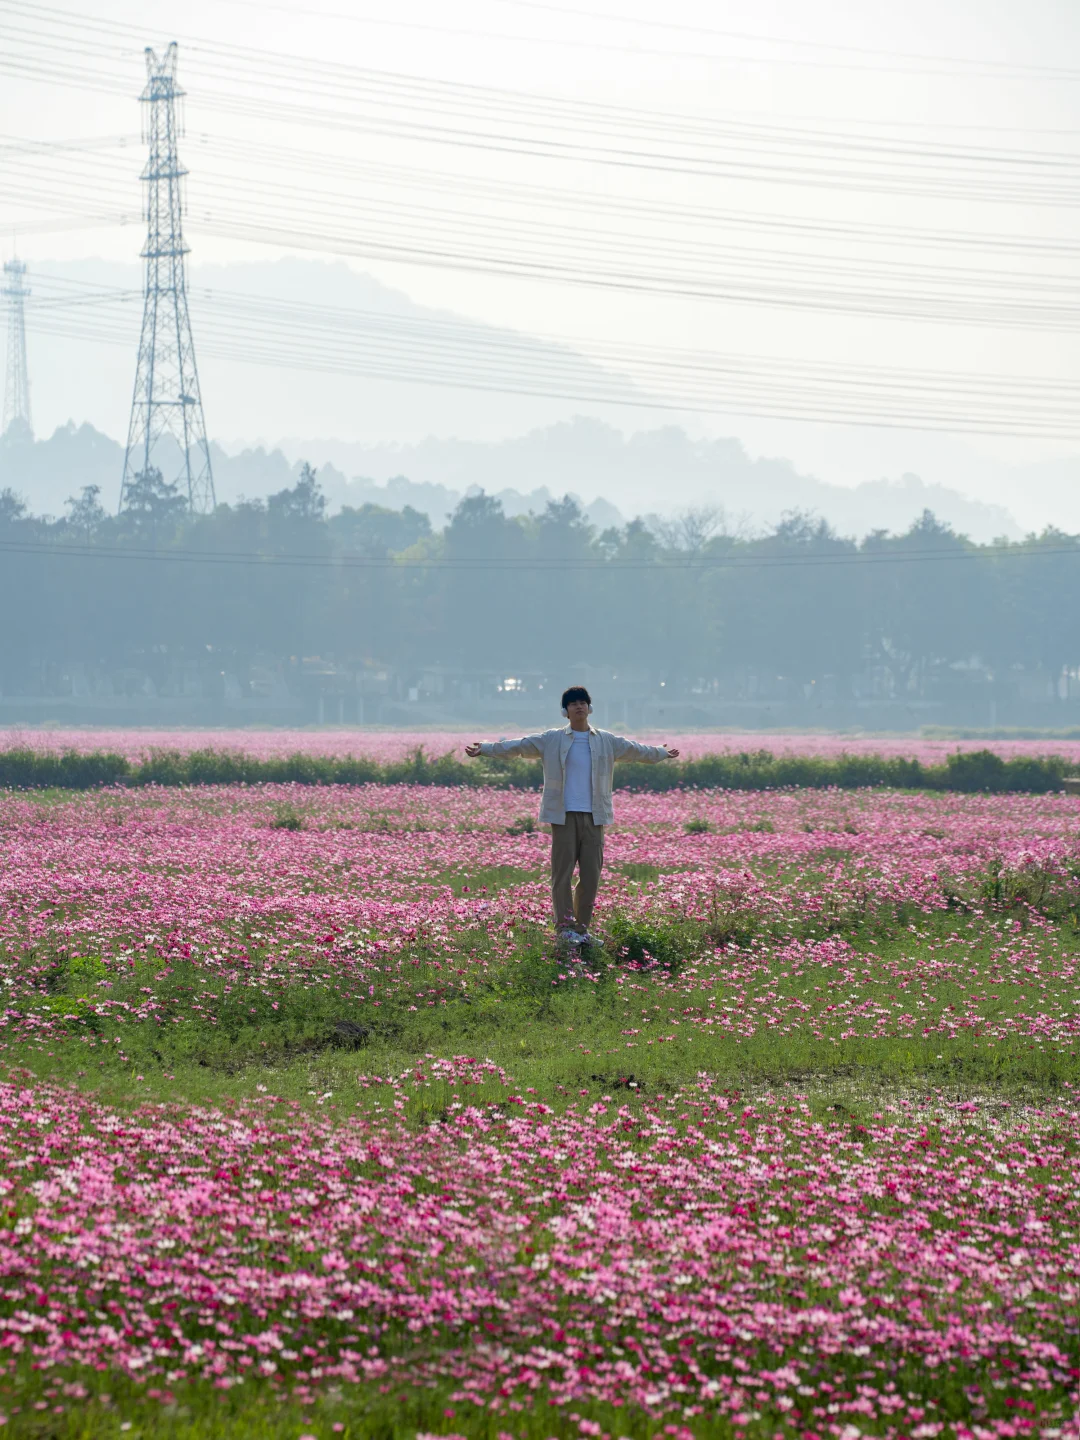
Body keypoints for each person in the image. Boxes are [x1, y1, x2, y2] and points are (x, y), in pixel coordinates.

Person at [465, 686, 678, 943]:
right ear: (565, 712)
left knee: (591, 875)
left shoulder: (605, 740)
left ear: (590, 708)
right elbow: (519, 746)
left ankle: (581, 929)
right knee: (562, 873)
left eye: (583, 702)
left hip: (594, 815)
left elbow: (635, 750)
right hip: (563, 814)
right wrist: (486, 748)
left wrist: (661, 753)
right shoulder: (552, 739)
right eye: (573, 704)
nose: (579, 707)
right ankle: (564, 929)